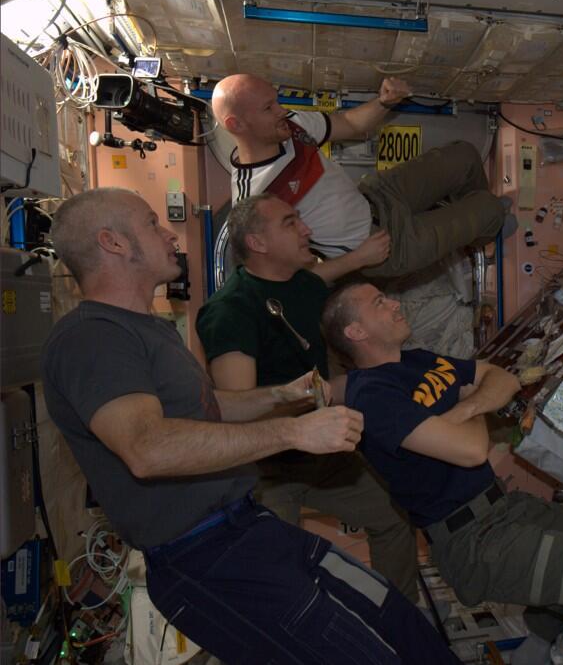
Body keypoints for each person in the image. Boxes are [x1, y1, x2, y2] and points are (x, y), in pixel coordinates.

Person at [41, 188, 459, 665]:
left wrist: (280, 396)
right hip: (205, 558)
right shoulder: (92, 338)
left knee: (394, 615)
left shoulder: (148, 329)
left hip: (248, 526)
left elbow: (206, 407)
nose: (169, 235)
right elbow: (147, 447)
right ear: (113, 242)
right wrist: (293, 432)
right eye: (152, 223)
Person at [321, 280, 563, 665]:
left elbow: (502, 378)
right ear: (356, 331)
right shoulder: (374, 395)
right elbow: (471, 451)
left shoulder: (416, 360)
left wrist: (467, 407)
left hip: (504, 508)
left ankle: (538, 646)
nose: (395, 304)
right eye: (379, 303)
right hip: (473, 541)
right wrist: (472, 398)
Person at [195, 192, 419, 604]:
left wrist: (361, 257)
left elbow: (322, 277)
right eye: (290, 223)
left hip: (321, 458)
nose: (307, 229)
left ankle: (400, 618)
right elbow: (236, 409)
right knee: (279, 573)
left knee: (394, 514)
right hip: (266, 469)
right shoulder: (231, 310)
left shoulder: (303, 284)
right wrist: (306, 403)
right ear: (258, 243)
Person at [211, 73, 512, 277]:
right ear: (236, 124)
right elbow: (287, 279)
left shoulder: (290, 125)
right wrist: (357, 260)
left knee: (464, 155)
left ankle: (476, 229)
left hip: (375, 196)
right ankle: (488, 227)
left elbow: (350, 124)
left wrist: (384, 102)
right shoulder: (255, 198)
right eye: (268, 108)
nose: (281, 110)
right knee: (489, 208)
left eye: (276, 100)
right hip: (376, 245)